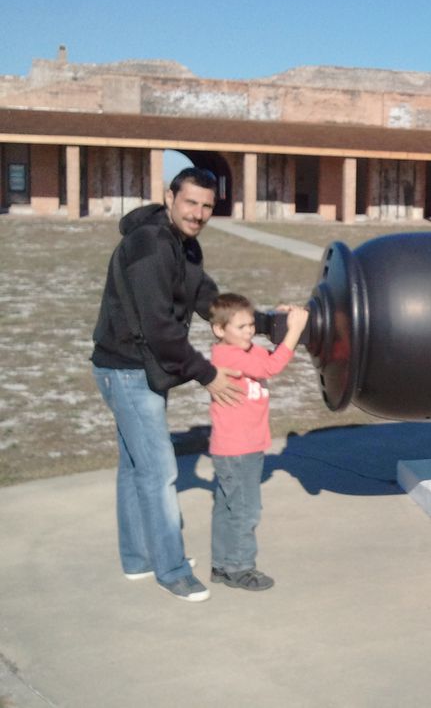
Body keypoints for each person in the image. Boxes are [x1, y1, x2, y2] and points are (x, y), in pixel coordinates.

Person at [92, 167, 244, 603]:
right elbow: (159, 328)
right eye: (190, 202)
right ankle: (172, 570)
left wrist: (254, 321)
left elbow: (205, 298)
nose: (198, 213)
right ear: (170, 197)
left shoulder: (185, 245)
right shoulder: (150, 245)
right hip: (126, 369)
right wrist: (208, 374)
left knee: (136, 469)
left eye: (207, 206)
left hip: (135, 368)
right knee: (159, 474)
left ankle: (138, 558)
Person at [206, 293, 308, 591]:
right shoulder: (227, 356)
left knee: (228, 507)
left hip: (244, 446)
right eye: (241, 327)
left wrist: (276, 320)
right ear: (219, 330)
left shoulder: (246, 348)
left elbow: (266, 357)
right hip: (237, 449)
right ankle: (240, 568)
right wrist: (294, 332)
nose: (249, 331)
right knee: (246, 510)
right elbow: (271, 367)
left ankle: (223, 565)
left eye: (252, 325)